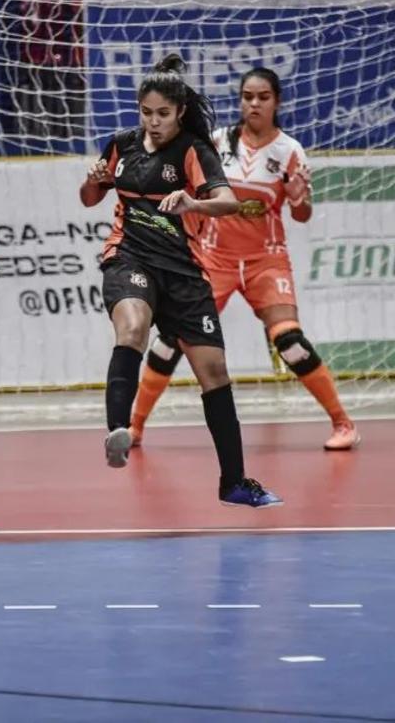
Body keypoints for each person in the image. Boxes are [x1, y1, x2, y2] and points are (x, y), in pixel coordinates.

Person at [80, 54, 281, 509]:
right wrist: (93, 181)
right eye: (146, 112)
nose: (153, 122)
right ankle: (119, 430)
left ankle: (234, 482)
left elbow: (228, 202)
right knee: (131, 327)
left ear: (179, 112)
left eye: (162, 114)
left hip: (184, 271)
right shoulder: (122, 145)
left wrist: (192, 203)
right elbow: (90, 197)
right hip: (129, 257)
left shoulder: (194, 150)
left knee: (214, 373)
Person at [128, 67, 361, 452]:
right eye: (247, 96)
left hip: (265, 261)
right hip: (212, 258)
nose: (254, 103)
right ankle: (135, 427)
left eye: (263, 97)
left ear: (277, 101)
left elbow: (301, 215)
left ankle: (343, 423)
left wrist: (300, 199)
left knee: (290, 342)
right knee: (170, 340)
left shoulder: (290, 151)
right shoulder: (217, 142)